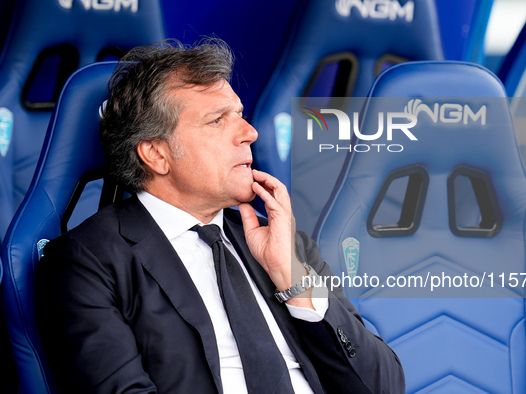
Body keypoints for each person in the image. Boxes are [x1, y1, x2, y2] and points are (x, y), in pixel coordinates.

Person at [36, 38, 404, 393]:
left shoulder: (281, 241)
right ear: (156, 155)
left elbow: (383, 387)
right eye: (217, 120)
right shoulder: (86, 261)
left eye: (241, 115)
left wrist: (291, 277)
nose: (250, 132)